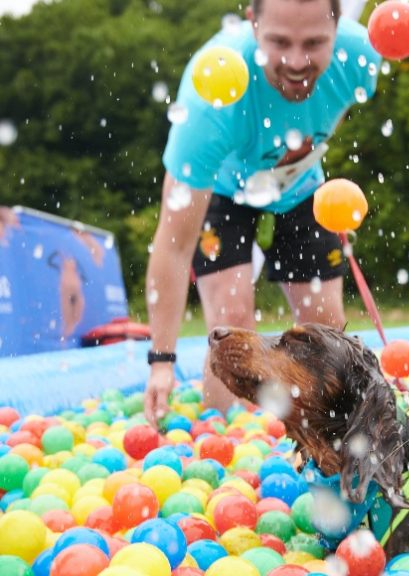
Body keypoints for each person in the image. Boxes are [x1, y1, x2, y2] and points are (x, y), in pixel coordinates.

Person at [143, 0, 381, 427]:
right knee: (233, 327)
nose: (295, 62)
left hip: (301, 185)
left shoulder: (360, 58)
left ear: (338, 28)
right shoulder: (209, 100)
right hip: (222, 187)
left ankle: (328, 435)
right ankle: (223, 441)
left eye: (314, 43)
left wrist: (302, 155)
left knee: (325, 330)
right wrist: (162, 360)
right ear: (253, 26)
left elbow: (329, 110)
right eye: (279, 43)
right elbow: (173, 245)